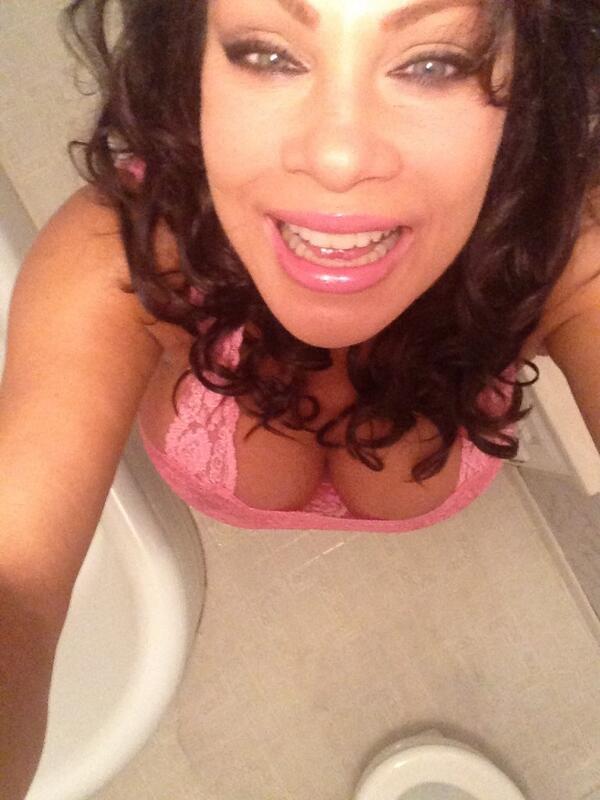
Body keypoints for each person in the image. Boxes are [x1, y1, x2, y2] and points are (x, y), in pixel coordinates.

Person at [1, 0, 599, 796]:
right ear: (190, 54)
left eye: (435, 64)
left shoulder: (565, 246)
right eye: (267, 53)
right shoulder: (120, 249)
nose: (339, 157)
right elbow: (15, 575)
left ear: (533, 80)